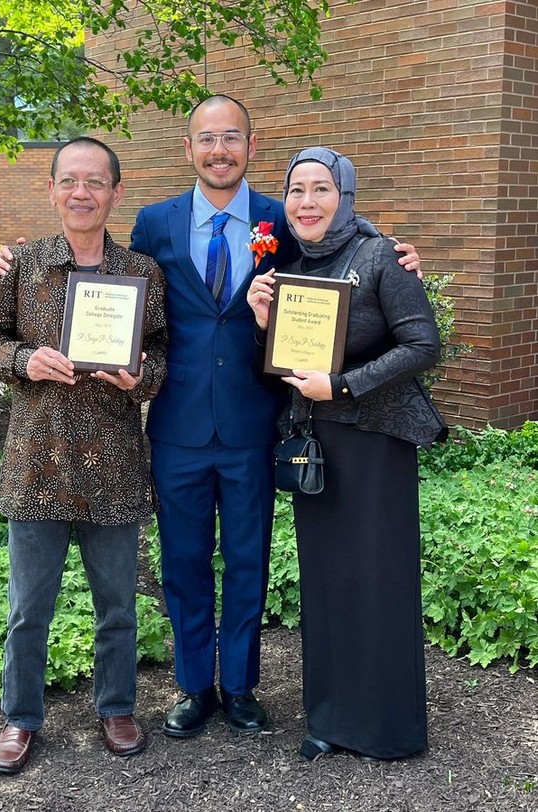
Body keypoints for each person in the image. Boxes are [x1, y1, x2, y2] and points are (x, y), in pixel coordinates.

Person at [0, 96, 421, 740]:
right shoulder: (155, 225)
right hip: (177, 427)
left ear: (250, 145)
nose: (219, 150)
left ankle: (240, 687)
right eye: (205, 139)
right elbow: (113, 287)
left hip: (254, 422)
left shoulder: (282, 216)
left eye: (232, 138)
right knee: (183, 565)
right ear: (188, 149)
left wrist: (398, 253)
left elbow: (337, 246)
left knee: (249, 561)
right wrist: (9, 261)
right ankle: (194, 687)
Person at [0, 137, 168, 774]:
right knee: (29, 608)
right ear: (53, 190)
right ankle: (20, 719)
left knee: (118, 603)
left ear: (115, 192)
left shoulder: (141, 273)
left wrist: (143, 377)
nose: (82, 193)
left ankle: (116, 707)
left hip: (111, 462)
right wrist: (25, 359)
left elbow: (162, 352)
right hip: (38, 463)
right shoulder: (22, 267)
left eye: (95, 182)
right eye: (70, 181)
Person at [247, 146, 447, 762]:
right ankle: (331, 716)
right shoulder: (286, 265)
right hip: (320, 441)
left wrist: (345, 384)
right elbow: (288, 361)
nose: (307, 202)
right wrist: (263, 322)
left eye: (321, 189)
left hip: (375, 441)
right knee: (329, 584)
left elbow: (423, 344)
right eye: (296, 190)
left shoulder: (382, 255)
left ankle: (384, 725)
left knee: (376, 581)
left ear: (346, 196)